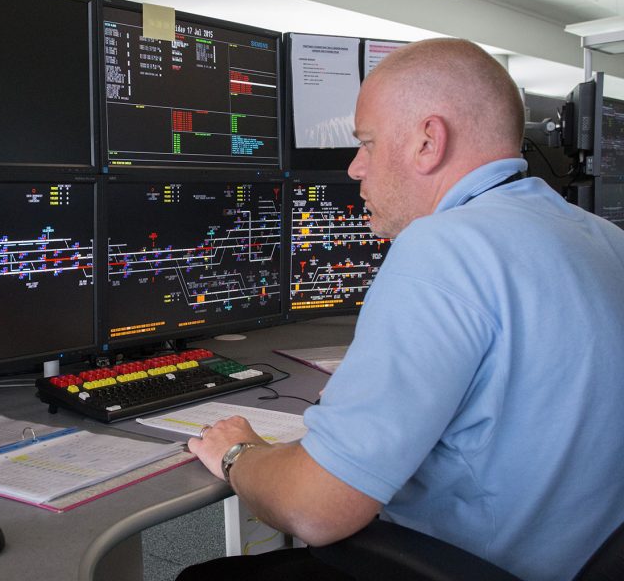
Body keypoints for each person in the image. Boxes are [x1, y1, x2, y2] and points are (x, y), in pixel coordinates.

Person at [179, 38, 624, 581]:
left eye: (366, 143)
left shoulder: (443, 246)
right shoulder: (604, 238)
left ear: (427, 142)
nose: (355, 168)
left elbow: (312, 509)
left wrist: (238, 454)